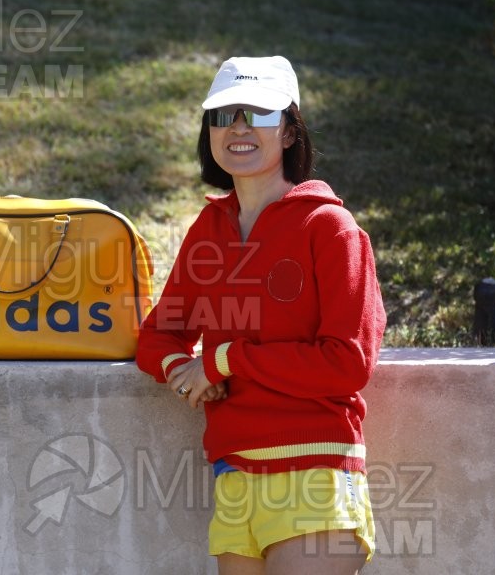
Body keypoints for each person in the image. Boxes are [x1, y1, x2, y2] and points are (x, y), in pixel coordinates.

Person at [135, 56, 386, 574]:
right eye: (224, 115)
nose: (239, 128)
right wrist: (184, 375)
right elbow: (159, 335)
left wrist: (223, 362)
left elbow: (347, 361)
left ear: (290, 131)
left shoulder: (330, 227)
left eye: (259, 115)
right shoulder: (210, 228)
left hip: (314, 472)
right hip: (235, 476)